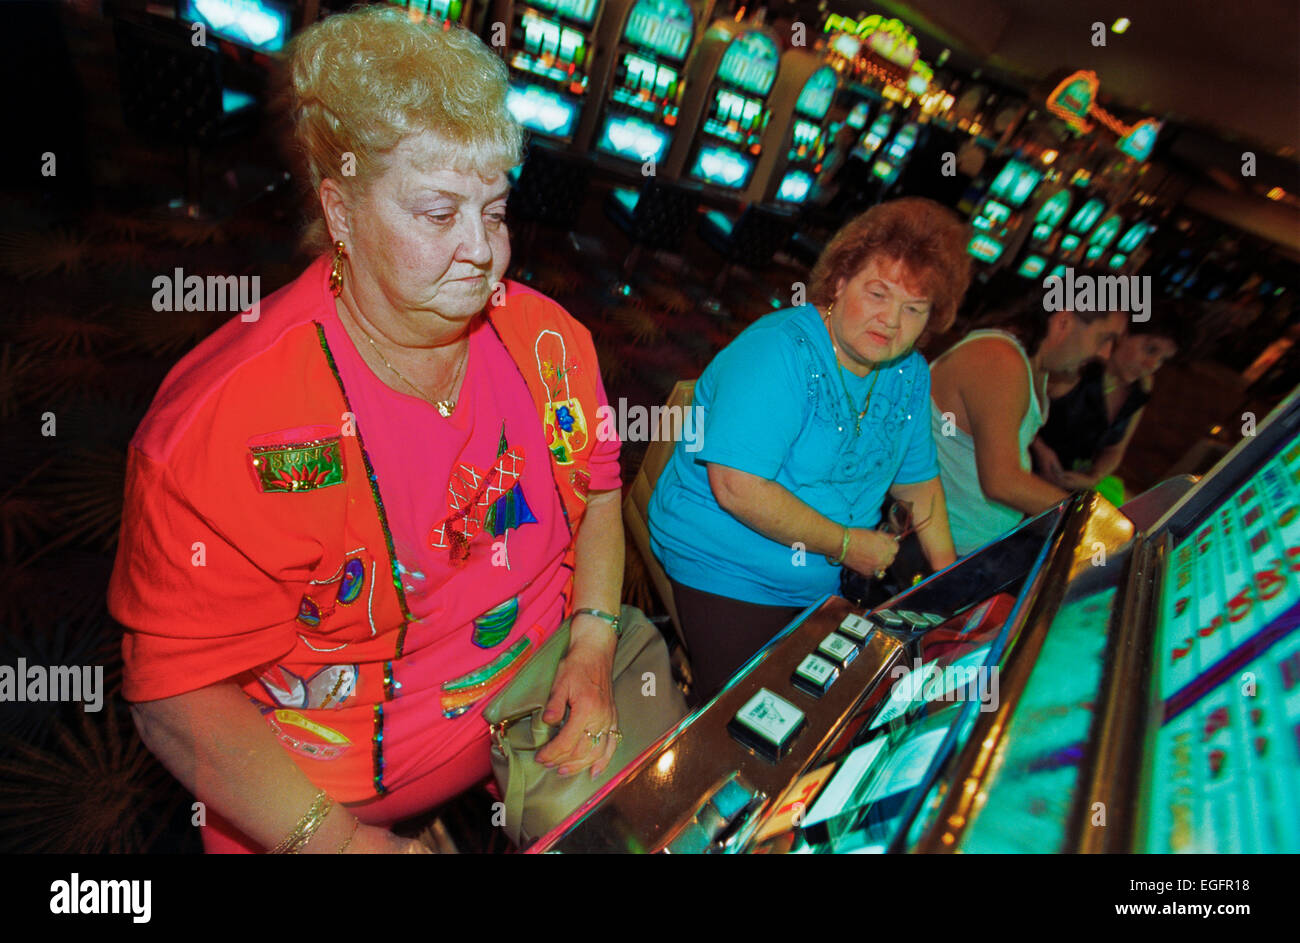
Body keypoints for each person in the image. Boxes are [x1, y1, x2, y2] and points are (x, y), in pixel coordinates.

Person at [108, 6, 624, 854]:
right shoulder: (231, 422)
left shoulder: (549, 341)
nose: (481, 253)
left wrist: (594, 646)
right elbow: (174, 691)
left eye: (493, 212)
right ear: (340, 210)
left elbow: (600, 492)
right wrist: (341, 841)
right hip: (316, 792)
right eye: (436, 213)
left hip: (537, 689)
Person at [649, 198, 965, 701]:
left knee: (862, 699)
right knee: (754, 713)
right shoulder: (779, 351)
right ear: (840, 282)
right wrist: (847, 545)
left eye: (913, 310)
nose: (891, 321)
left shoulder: (909, 373)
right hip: (729, 562)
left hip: (825, 576)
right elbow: (736, 487)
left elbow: (917, 480)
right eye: (877, 294)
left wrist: (951, 579)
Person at [929, 285, 1127, 556]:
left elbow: (992, 427)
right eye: (1104, 339)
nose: (1105, 354)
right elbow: (1003, 481)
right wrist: (1093, 521)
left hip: (982, 543)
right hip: (946, 552)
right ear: (1064, 322)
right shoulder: (999, 359)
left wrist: (1039, 448)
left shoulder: (1032, 363)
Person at [1033, 312, 1188, 505]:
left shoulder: (1141, 386)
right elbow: (1013, 411)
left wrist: (1094, 476)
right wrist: (1040, 448)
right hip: (1030, 471)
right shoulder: (1076, 366)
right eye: (1150, 349)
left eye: (1162, 359)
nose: (1152, 365)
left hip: (1075, 482)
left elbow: (1115, 449)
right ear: (1122, 333)